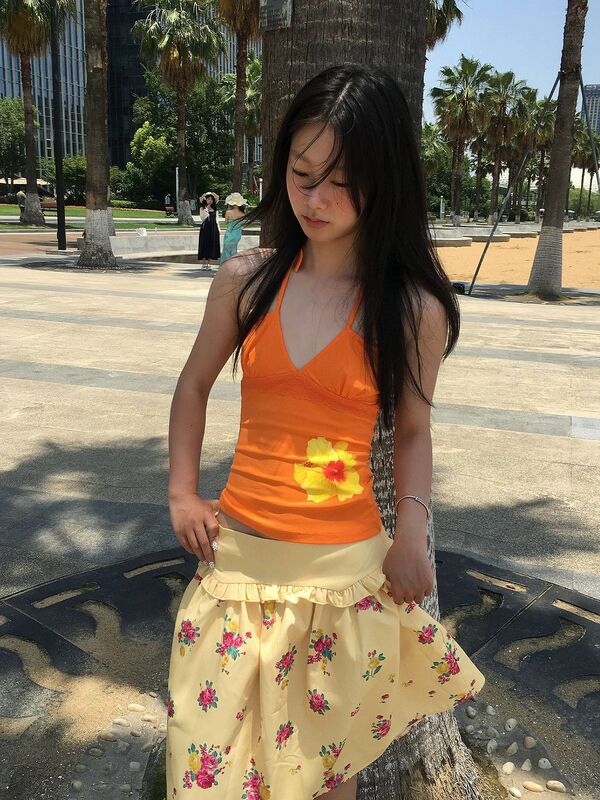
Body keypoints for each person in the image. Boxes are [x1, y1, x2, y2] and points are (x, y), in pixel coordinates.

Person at [166, 65, 485, 799]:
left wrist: (412, 533)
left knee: (321, 782)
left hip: (345, 583)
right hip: (236, 569)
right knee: (206, 772)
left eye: (340, 182)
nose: (314, 199)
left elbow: (412, 431)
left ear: (385, 182)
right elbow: (193, 384)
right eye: (301, 174)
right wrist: (182, 491)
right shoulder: (247, 281)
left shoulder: (410, 309)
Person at [220, 192, 247, 266]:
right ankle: (233, 266)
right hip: (237, 233)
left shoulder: (228, 212)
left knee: (226, 251)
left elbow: (226, 222)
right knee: (234, 250)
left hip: (230, 232)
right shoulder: (242, 213)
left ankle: (225, 266)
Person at [197, 191, 221, 263]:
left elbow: (217, 219)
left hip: (213, 228)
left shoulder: (215, 209)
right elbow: (202, 218)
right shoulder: (202, 208)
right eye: (208, 199)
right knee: (204, 243)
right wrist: (206, 209)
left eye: (211, 199)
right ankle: (204, 262)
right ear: (205, 200)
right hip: (205, 228)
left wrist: (218, 229)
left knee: (212, 244)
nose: (210, 201)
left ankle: (209, 262)